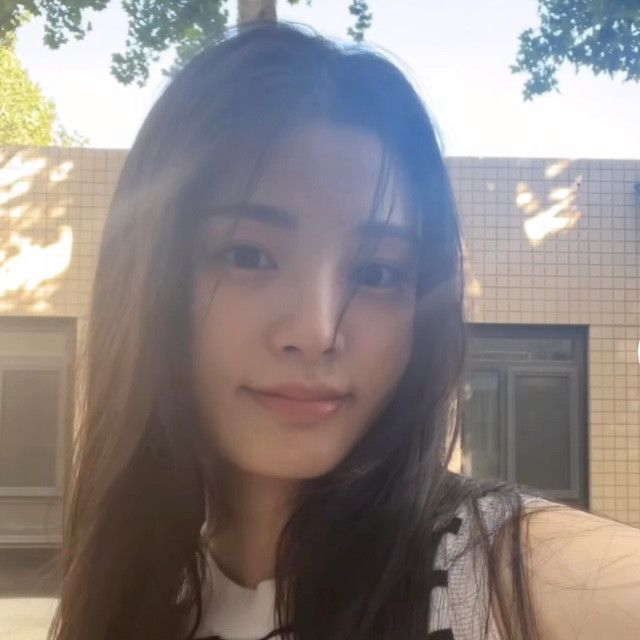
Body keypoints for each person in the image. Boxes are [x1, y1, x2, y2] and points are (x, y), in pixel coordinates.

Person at [49, 23, 640, 640]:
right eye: (249, 256)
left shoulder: (501, 576)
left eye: (377, 272)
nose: (316, 330)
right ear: (152, 279)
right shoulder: (135, 590)